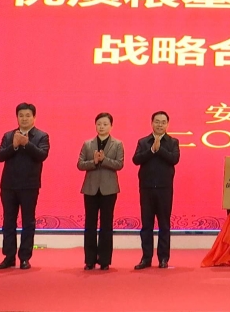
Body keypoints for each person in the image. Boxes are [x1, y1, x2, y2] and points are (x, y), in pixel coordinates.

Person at [0, 103, 50, 270]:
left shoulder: (41, 136)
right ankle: (9, 257)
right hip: (8, 186)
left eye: (27, 115)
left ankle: (25, 258)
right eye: (21, 115)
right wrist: (14, 145)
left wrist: (26, 143)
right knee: (8, 222)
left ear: (34, 117)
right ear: (17, 117)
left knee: (28, 223)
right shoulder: (8, 135)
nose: (24, 118)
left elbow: (42, 155)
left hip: (29, 186)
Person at [132, 111, 180, 270]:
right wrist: (152, 150)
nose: (160, 125)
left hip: (164, 189)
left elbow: (174, 159)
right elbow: (136, 159)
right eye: (157, 121)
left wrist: (159, 149)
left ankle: (163, 258)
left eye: (163, 122)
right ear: (152, 123)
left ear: (167, 124)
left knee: (164, 225)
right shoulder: (143, 142)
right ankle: (146, 258)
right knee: (147, 225)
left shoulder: (173, 142)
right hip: (146, 189)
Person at [77, 112, 124, 271]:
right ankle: (89, 260)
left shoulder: (117, 144)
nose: (102, 127)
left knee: (106, 224)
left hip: (109, 189)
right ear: (95, 125)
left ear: (111, 126)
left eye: (105, 124)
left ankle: (104, 260)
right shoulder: (87, 144)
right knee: (90, 224)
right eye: (99, 124)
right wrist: (94, 161)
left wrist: (104, 160)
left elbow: (119, 164)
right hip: (90, 188)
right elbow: (80, 164)